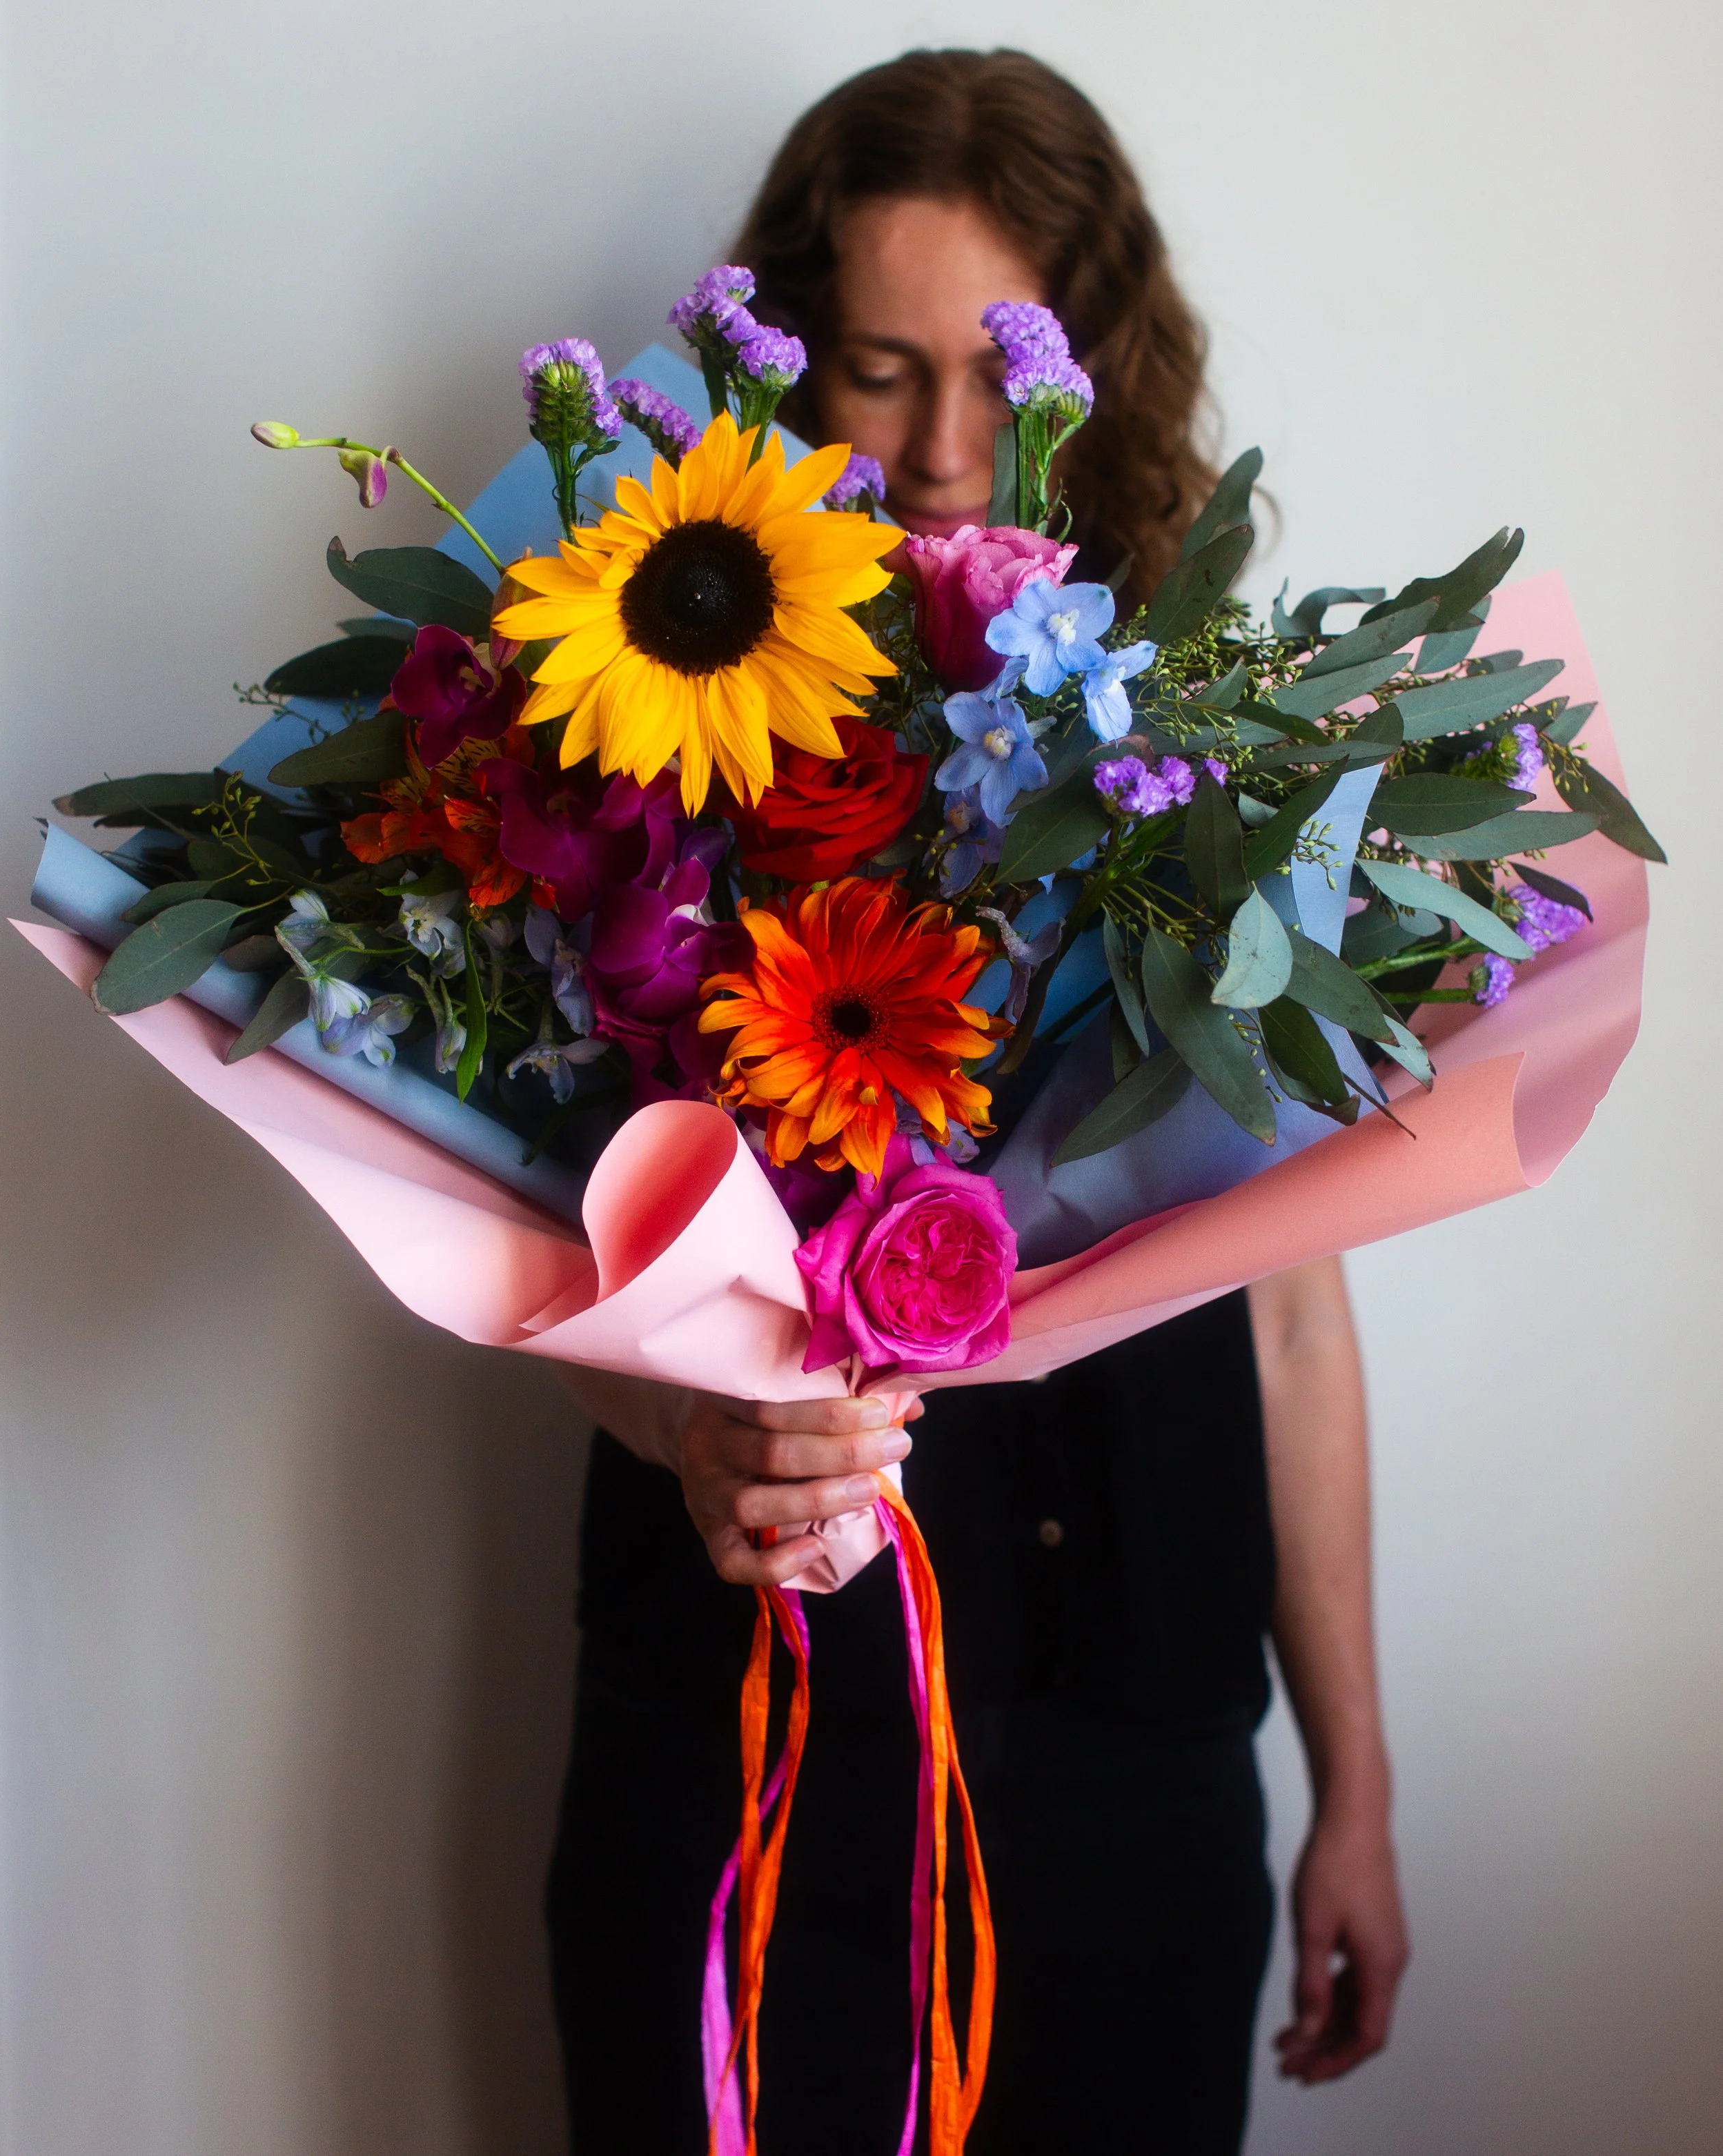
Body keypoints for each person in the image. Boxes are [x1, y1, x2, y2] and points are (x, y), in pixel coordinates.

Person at [547, 48, 1408, 2156]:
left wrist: (1355, 1787)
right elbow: (545, 1238)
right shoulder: (648, 730)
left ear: (1094, 370)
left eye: (999, 373)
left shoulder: (1214, 748)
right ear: (784, 369)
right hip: (749, 1744)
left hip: (1143, 1759)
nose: (943, 455)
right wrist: (690, 1432)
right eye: (872, 369)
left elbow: (1288, 1311)